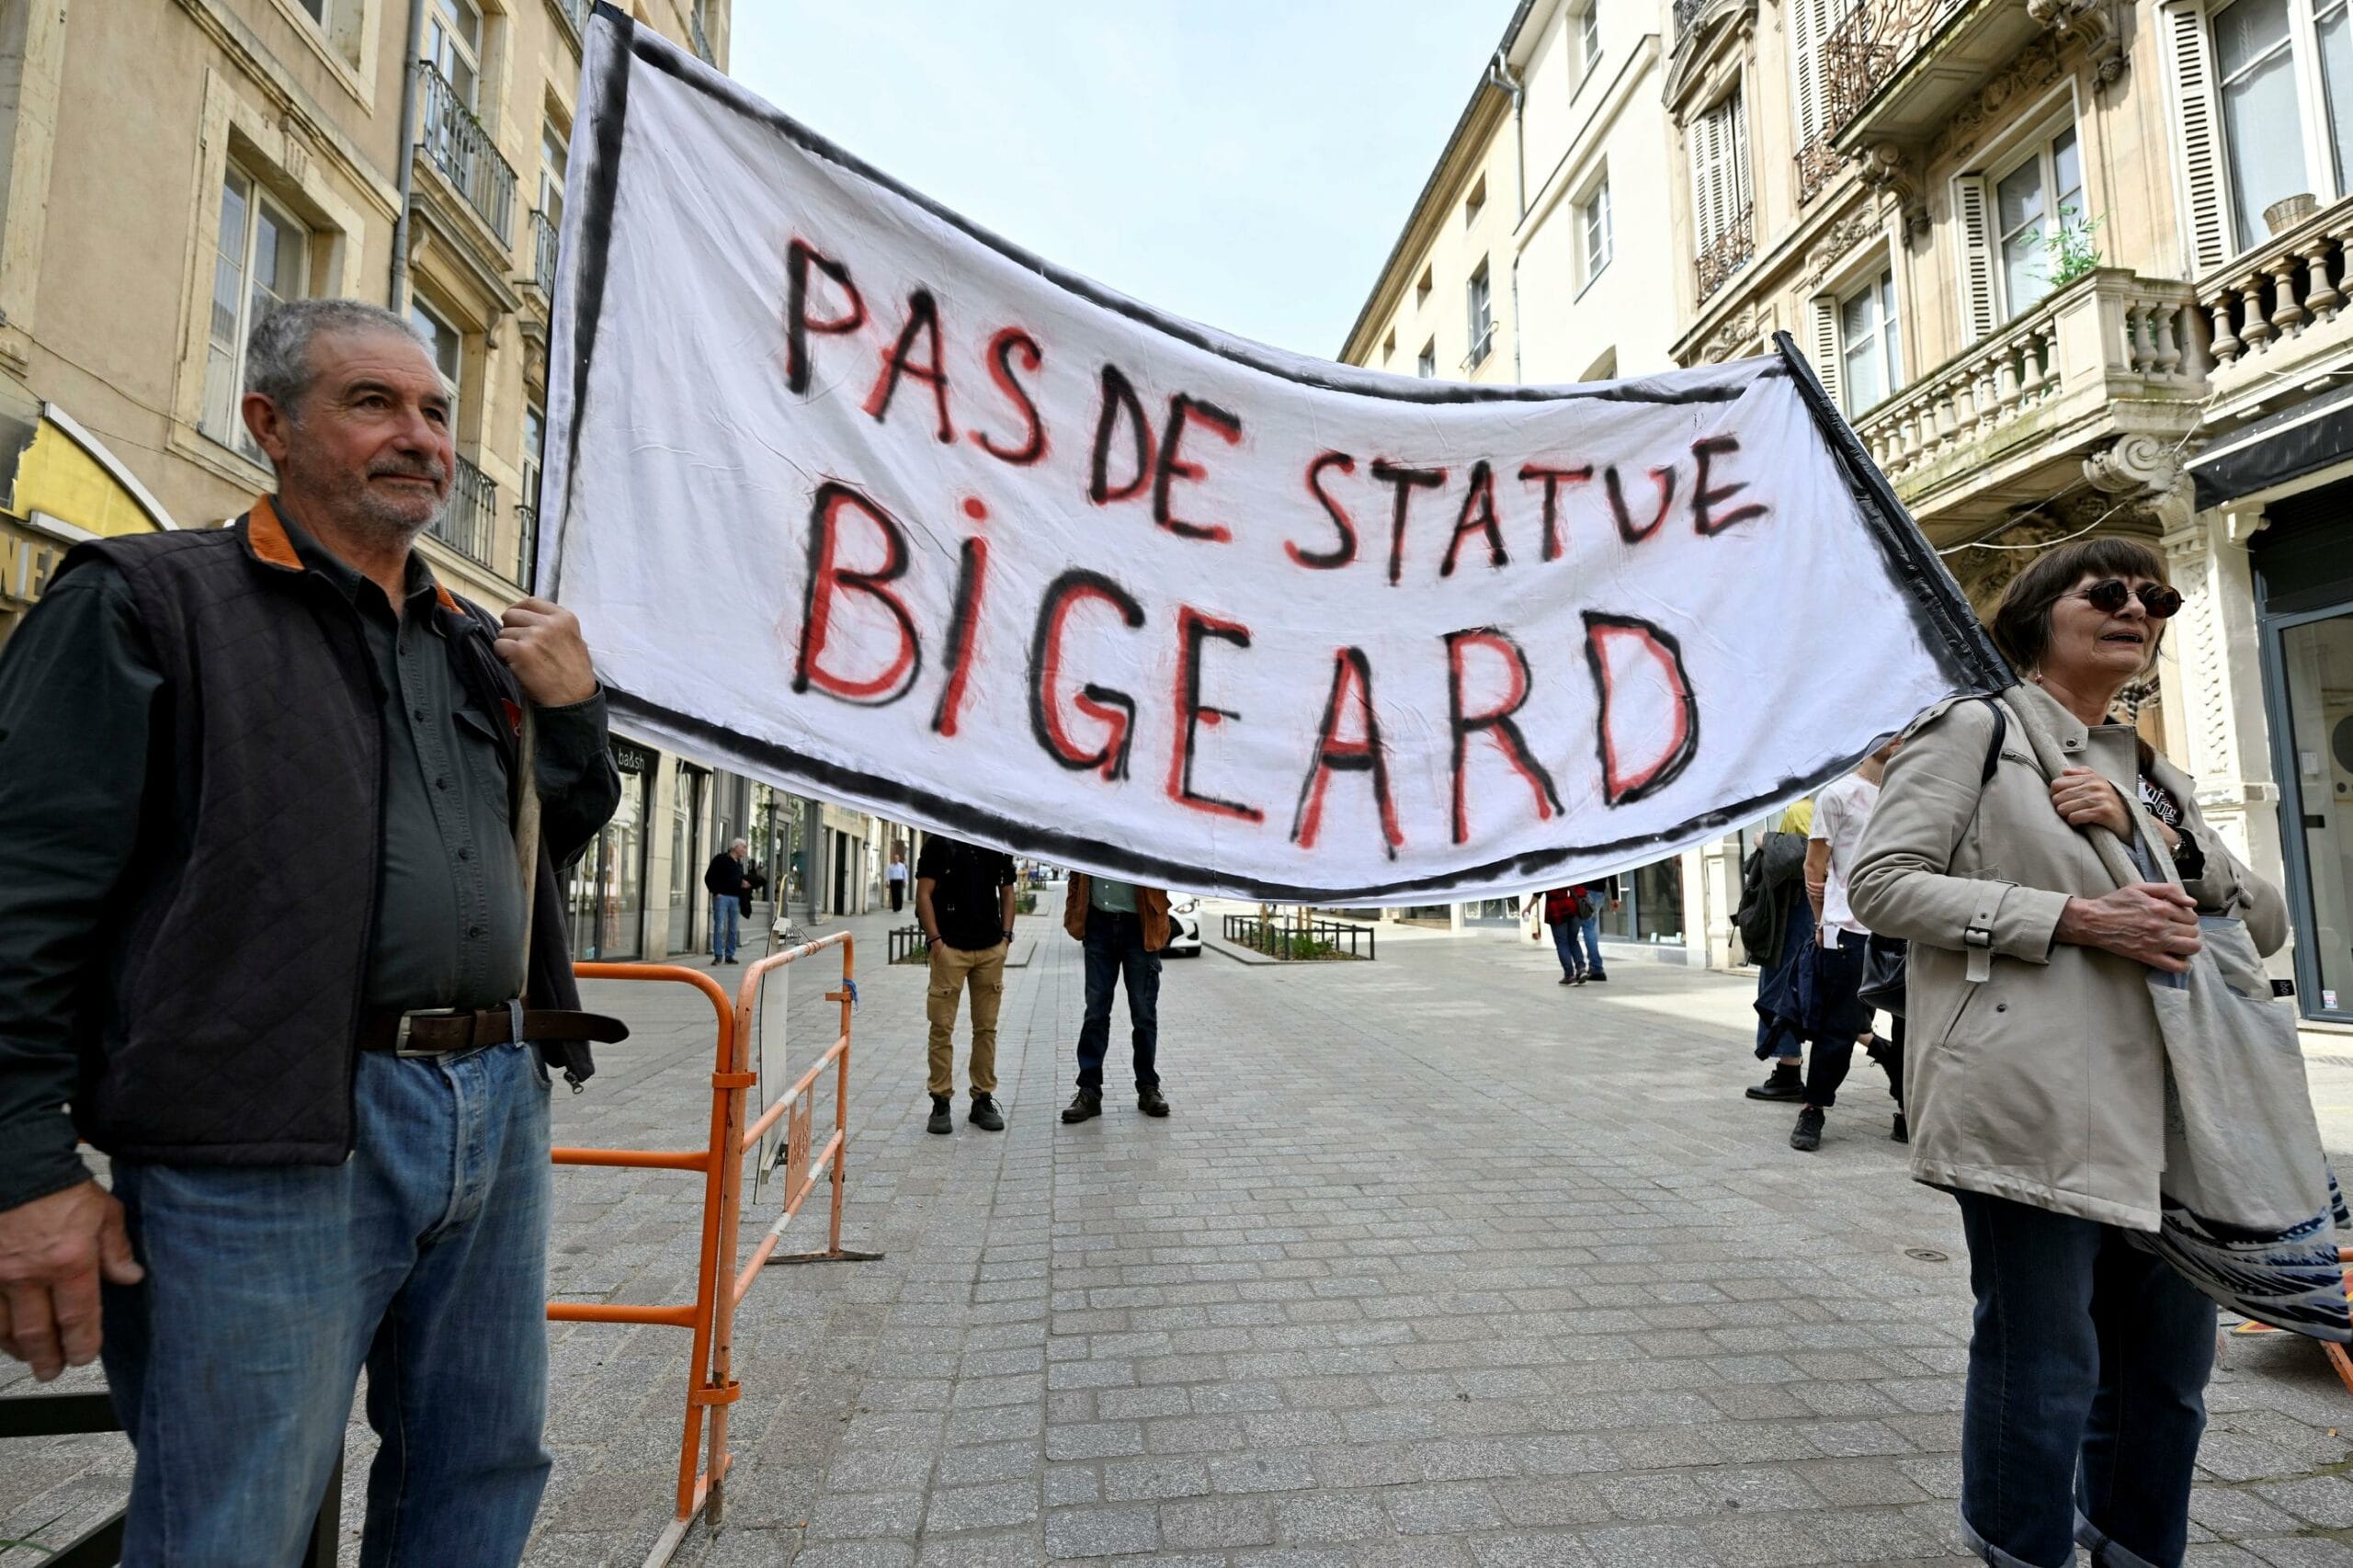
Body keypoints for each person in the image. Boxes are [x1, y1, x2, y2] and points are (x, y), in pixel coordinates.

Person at [0, 299, 624, 1564]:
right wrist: (26, 1168)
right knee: (235, 1519)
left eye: (436, 411)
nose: (422, 437)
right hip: (260, 1133)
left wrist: (573, 714)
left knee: (480, 1469)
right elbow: (24, 892)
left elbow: (532, 854)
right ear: (269, 424)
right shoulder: (150, 600)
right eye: (372, 402)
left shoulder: (469, 641)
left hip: (493, 1103)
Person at [1850, 537, 2287, 1568]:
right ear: (2037, 614)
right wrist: (2073, 918)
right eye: (2107, 591)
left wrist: (2159, 836)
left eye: (2156, 598)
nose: (2137, 607)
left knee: (2168, 1376)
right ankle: (2022, 1548)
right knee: (2044, 1364)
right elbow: (1883, 885)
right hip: (2035, 1096)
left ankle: (2137, 1548)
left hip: (2180, 1110)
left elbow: (2264, 922)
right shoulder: (1976, 731)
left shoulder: (2152, 773)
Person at [1784, 742, 1897, 1152]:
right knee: (1838, 1027)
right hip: (1847, 928)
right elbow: (1814, 866)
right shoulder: (1838, 794)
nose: (1900, 737)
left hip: (1904, 925)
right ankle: (1813, 1108)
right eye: (1890, 732)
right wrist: (1821, 921)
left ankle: (1907, 1109)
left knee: (1912, 1025)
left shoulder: (1909, 789)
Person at [915, 835, 1016, 1135]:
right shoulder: (939, 842)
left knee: (986, 1029)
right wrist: (936, 942)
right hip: (950, 950)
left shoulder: (996, 842)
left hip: (990, 949)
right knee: (941, 1028)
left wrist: (1006, 938)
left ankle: (982, 1099)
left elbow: (1007, 890)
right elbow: (923, 894)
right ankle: (940, 1100)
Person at [1061, 875, 1173, 1122]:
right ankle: (1089, 1091)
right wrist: (1073, 910)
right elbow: (1076, 873)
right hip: (1098, 923)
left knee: (1144, 1014)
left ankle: (1148, 1088)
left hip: (1141, 923)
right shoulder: (1089, 844)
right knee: (1096, 1013)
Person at [1741, 800, 1815, 1099]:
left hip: (1794, 919)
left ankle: (1789, 1074)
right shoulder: (1814, 807)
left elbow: (1799, 856)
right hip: (1804, 918)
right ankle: (1788, 1070)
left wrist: (1766, 840)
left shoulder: (1801, 810)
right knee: (1793, 992)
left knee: (1783, 991)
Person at [704, 837, 749, 963]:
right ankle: (718, 955)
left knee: (733, 928)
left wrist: (743, 884)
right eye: (743, 847)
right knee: (719, 927)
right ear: (736, 847)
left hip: (735, 899)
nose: (745, 850)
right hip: (722, 898)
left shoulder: (739, 864)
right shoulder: (720, 859)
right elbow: (708, 877)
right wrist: (716, 892)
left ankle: (729, 955)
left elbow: (736, 880)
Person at [886, 843, 909, 912]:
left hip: (899, 881)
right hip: (893, 881)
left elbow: (905, 874)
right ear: (893, 859)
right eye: (895, 858)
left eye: (897, 858)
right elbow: (887, 874)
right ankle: (895, 908)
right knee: (894, 895)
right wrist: (887, 882)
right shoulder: (890, 866)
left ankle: (899, 907)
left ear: (899, 859)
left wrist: (905, 882)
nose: (896, 859)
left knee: (899, 894)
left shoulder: (902, 866)